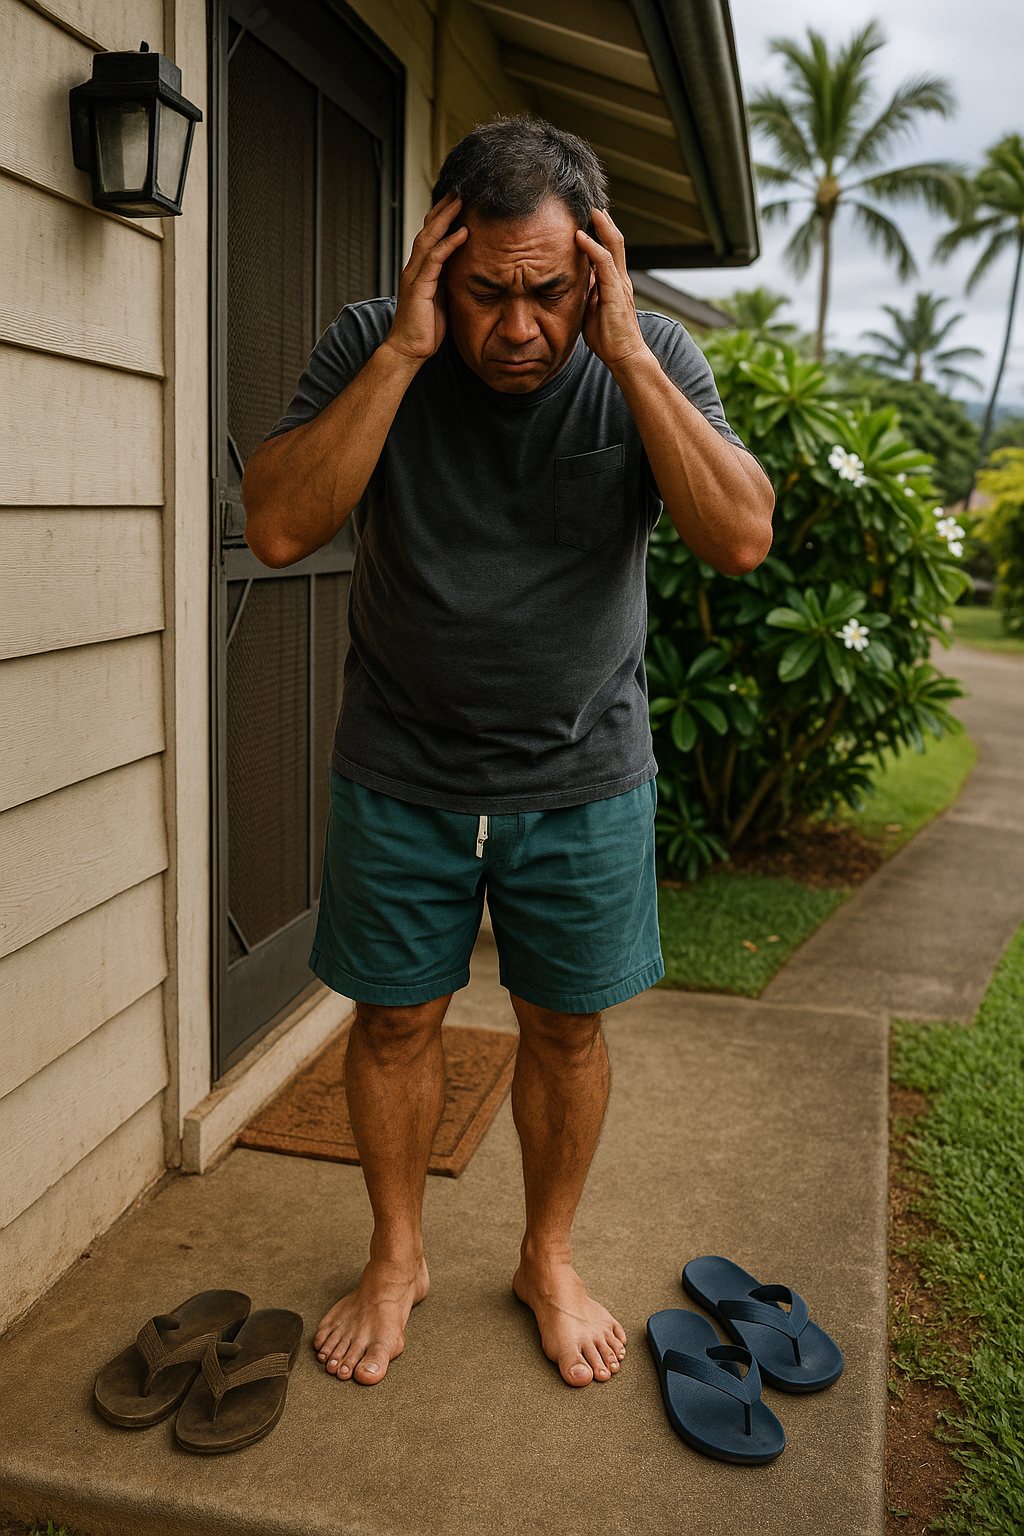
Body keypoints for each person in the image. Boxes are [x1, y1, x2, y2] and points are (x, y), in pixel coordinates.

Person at [241, 116, 774, 1391]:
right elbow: (274, 526)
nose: (521, 326)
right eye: (488, 291)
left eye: (549, 291)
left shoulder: (641, 355)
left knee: (566, 1034)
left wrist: (631, 355)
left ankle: (547, 1255)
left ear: (594, 265)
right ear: (440, 259)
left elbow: (740, 536)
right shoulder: (377, 342)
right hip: (402, 768)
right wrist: (410, 347)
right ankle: (394, 1255)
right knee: (391, 1026)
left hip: (584, 774)